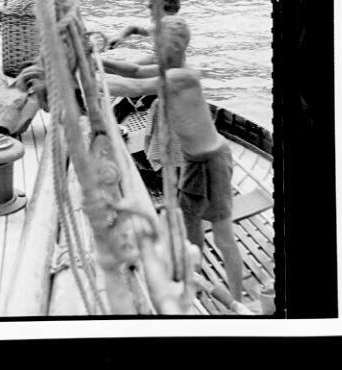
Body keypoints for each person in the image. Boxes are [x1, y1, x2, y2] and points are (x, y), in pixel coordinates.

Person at [101, 15, 243, 302]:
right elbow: (132, 71)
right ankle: (196, 278)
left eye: (158, 44)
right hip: (192, 161)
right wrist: (96, 60)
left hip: (212, 161)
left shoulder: (182, 76)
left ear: (173, 49)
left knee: (223, 234)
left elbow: (136, 88)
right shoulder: (170, 67)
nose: (153, 49)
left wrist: (88, 78)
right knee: (189, 221)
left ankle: (238, 299)